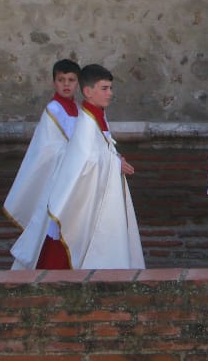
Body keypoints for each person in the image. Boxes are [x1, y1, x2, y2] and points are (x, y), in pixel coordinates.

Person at [13, 63, 143, 270]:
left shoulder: (96, 115)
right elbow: (83, 160)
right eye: (104, 88)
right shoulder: (83, 120)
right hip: (74, 193)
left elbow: (98, 150)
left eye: (110, 88)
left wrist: (115, 156)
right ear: (88, 91)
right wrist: (113, 163)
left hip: (92, 193)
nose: (110, 93)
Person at [6, 59, 81, 270]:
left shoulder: (78, 109)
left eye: (71, 80)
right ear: (54, 83)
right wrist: (76, 154)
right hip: (56, 181)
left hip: (74, 181)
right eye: (61, 80)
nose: (66, 84)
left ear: (78, 83)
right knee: (51, 230)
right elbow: (48, 150)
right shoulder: (53, 110)